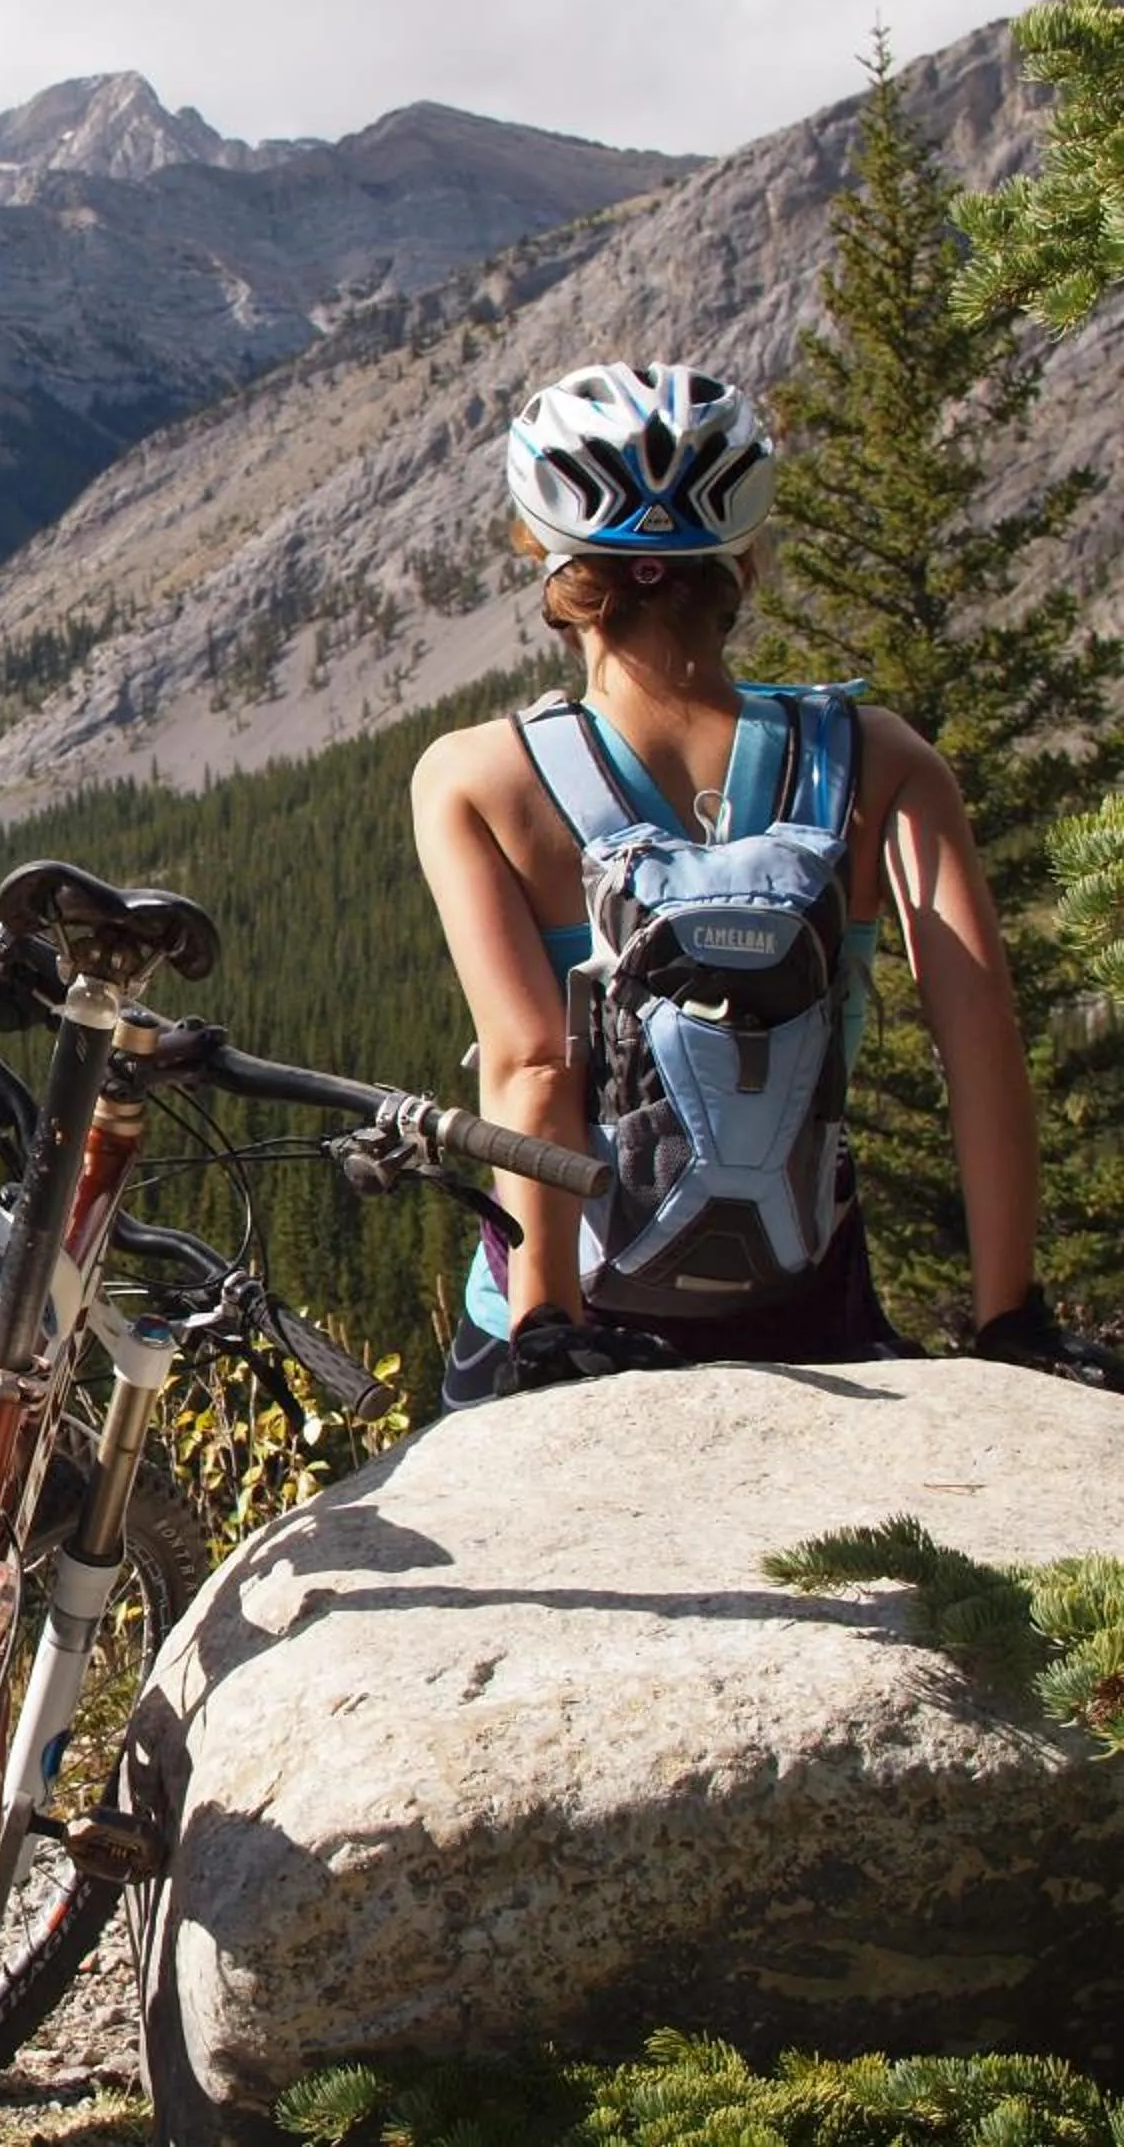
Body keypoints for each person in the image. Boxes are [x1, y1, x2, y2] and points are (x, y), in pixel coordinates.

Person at [412, 360, 1108, 1401]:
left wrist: (547, 1325)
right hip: (803, 1303)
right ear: (745, 561)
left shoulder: (476, 777)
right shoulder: (882, 759)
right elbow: (984, 1044)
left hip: (582, 1301)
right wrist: (1009, 1316)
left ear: (547, 561)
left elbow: (531, 1064)